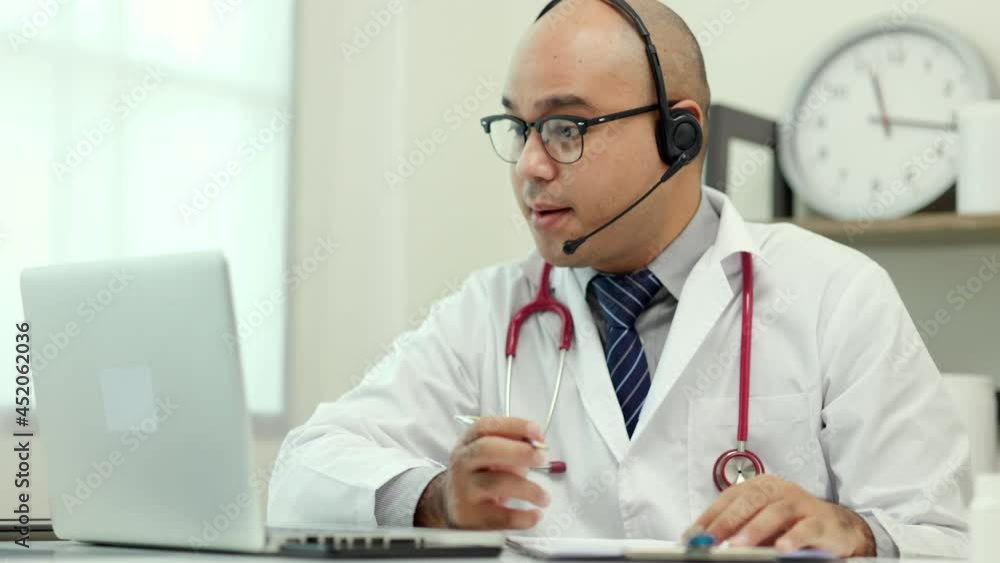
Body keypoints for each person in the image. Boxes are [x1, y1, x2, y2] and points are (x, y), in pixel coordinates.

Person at [268, 0, 970, 558]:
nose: (530, 166)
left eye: (566, 128)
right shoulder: (489, 310)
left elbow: (939, 536)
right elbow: (303, 471)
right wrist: (437, 501)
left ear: (679, 135)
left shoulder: (835, 295)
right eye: (519, 128)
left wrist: (855, 533)